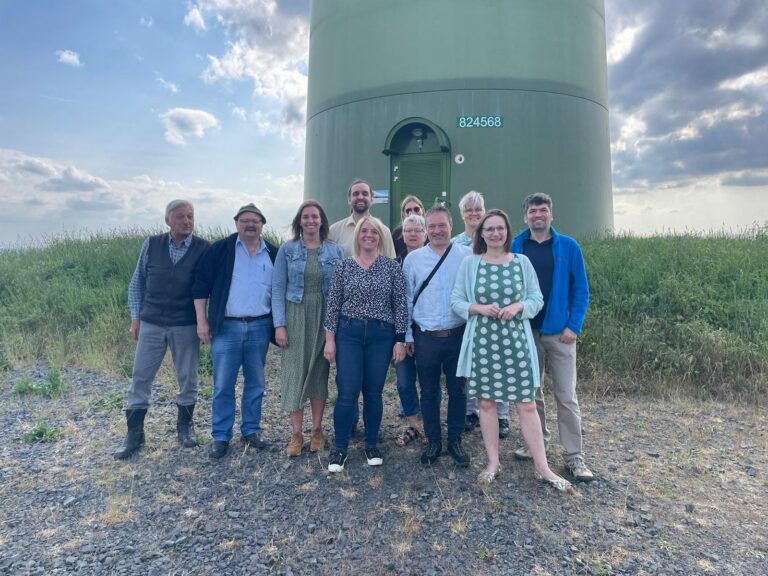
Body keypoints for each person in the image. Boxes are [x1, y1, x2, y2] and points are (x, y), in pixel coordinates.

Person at [452, 209, 572, 492]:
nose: (495, 233)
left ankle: (542, 467)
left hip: (515, 341)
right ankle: (493, 462)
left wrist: (519, 307)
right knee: (486, 404)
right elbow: (456, 301)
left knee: (526, 403)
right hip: (482, 341)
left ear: (507, 231)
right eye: (489, 229)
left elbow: (536, 299)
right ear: (481, 233)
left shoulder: (521, 262)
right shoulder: (471, 264)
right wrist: (479, 308)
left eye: (500, 228)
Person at [116, 200, 209, 459]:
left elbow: (206, 289)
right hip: (152, 323)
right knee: (140, 377)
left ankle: (185, 427)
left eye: (190, 216)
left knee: (188, 378)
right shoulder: (152, 244)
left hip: (185, 324)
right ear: (167, 220)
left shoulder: (203, 248)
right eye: (180, 217)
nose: (187, 221)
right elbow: (137, 283)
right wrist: (136, 318)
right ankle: (135, 435)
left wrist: (204, 321)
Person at [511, 193, 594, 482]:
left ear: (551, 214)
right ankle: (537, 445)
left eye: (543, 210)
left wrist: (574, 325)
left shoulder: (569, 247)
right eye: (533, 211)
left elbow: (581, 290)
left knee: (566, 395)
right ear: (525, 216)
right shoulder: (516, 246)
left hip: (560, 332)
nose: (538, 215)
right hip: (525, 331)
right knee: (531, 393)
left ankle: (574, 456)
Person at [192, 203, 278, 459]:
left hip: (260, 326)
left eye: (255, 221)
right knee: (223, 385)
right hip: (226, 326)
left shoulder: (273, 252)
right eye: (245, 220)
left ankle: (251, 431)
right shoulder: (220, 250)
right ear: (236, 223)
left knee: (256, 383)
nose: (250, 225)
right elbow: (200, 286)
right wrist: (201, 322)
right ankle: (220, 436)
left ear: (263, 224)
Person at [323, 216, 408, 472]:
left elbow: (400, 306)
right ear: (358, 236)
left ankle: (371, 444)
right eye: (364, 231)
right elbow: (333, 305)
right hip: (348, 333)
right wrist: (330, 340)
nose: (369, 235)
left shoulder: (392, 267)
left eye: (374, 232)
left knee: (373, 392)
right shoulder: (344, 266)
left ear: (380, 237)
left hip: (381, 336)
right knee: (347, 392)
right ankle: (339, 448)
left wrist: (400, 340)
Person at [272, 200, 342, 456]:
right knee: (294, 373)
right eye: (306, 217)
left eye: (315, 216)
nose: (311, 221)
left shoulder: (335, 251)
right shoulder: (287, 250)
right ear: (299, 222)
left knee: (318, 373)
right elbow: (278, 288)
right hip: (295, 314)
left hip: (324, 317)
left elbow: (340, 291)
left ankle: (317, 431)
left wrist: (335, 326)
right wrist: (279, 325)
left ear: (322, 221)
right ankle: (296, 434)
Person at [403, 205, 472, 467]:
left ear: (451, 225)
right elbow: (407, 301)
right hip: (426, 337)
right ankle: (433, 440)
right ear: (425, 230)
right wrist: (408, 335)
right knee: (429, 391)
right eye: (431, 226)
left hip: (458, 334)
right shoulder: (413, 260)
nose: (436, 230)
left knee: (458, 390)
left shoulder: (466, 256)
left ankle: (455, 439)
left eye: (441, 225)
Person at [452, 191, 511, 439]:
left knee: (501, 364)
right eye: (469, 210)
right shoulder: (456, 244)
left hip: (499, 315)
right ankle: (471, 411)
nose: (473, 214)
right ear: (462, 213)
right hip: (469, 314)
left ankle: (502, 415)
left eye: (478, 209)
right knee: (471, 365)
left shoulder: (498, 240)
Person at [393, 213, 428, 448]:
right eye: (408, 230)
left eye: (417, 230)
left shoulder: (433, 260)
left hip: (426, 330)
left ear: (425, 234)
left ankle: (429, 422)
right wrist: (401, 335)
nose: (413, 234)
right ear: (402, 235)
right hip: (399, 331)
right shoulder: (394, 263)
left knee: (428, 380)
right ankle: (414, 424)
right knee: (404, 381)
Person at [328, 179, 396, 258]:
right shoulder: (334, 231)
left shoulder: (384, 231)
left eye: (365, 194)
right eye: (356, 194)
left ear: (372, 199)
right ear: (349, 199)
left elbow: (391, 263)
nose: (360, 197)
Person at [391, 195, 426, 259]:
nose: (412, 213)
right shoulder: (397, 234)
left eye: (416, 209)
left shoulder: (431, 230)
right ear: (403, 214)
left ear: (422, 210)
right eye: (408, 210)